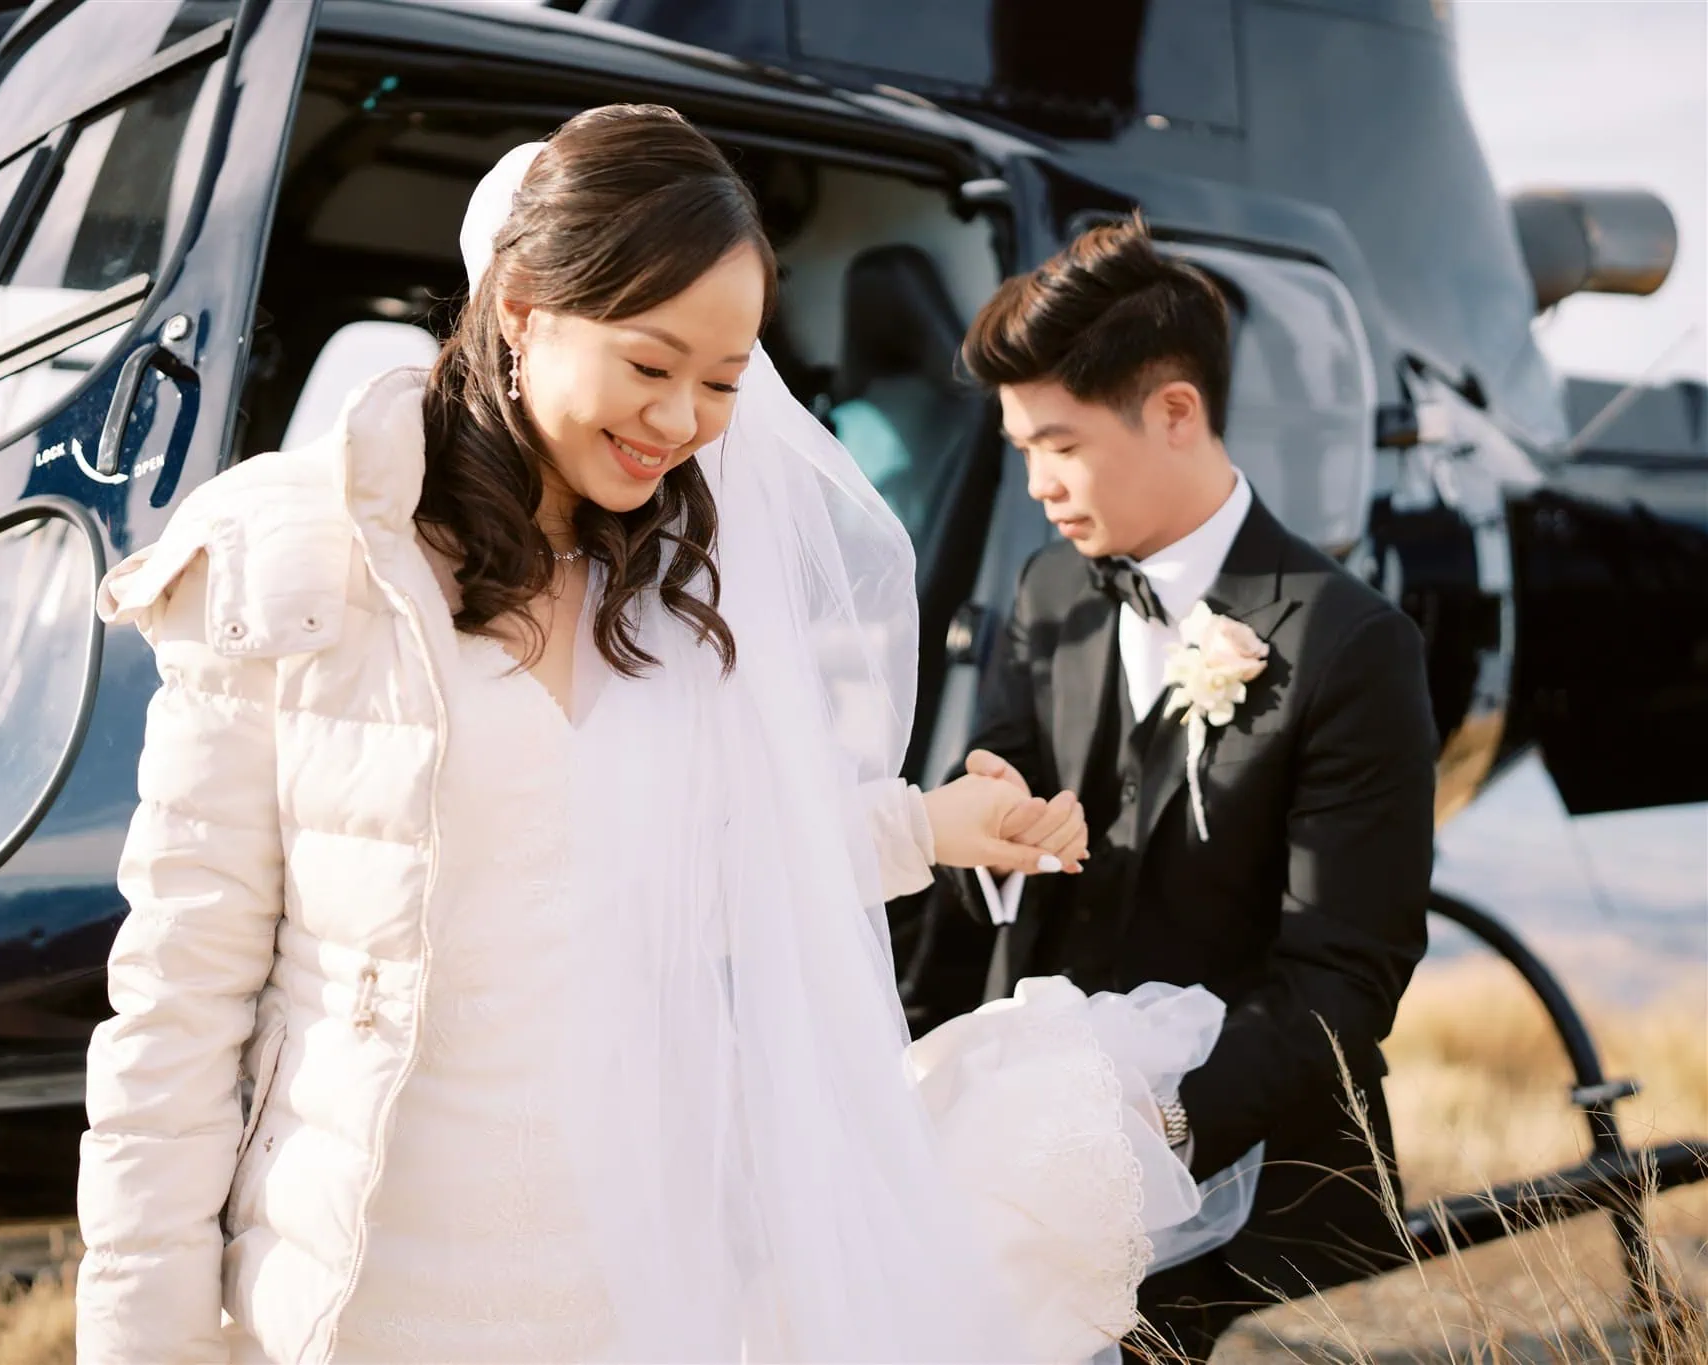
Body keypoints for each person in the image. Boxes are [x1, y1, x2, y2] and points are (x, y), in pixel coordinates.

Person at [74, 106, 1223, 1365]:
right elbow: (177, 1003)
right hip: (371, 1273)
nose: (680, 421)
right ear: (519, 305)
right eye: (648, 365)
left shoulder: (676, 586)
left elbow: (699, 869)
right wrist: (147, 1342)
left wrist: (923, 827)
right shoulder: (293, 559)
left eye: (724, 382)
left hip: (641, 1266)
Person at [936, 215, 1440, 1361]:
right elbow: (990, 817)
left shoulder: (1351, 645)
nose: (1037, 486)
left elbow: (1345, 973)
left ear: (1172, 411)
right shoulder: (1048, 589)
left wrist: (1155, 1136)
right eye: (1019, 450)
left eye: (1056, 445)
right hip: (1013, 1119)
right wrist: (997, 833)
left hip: (1216, 1157)